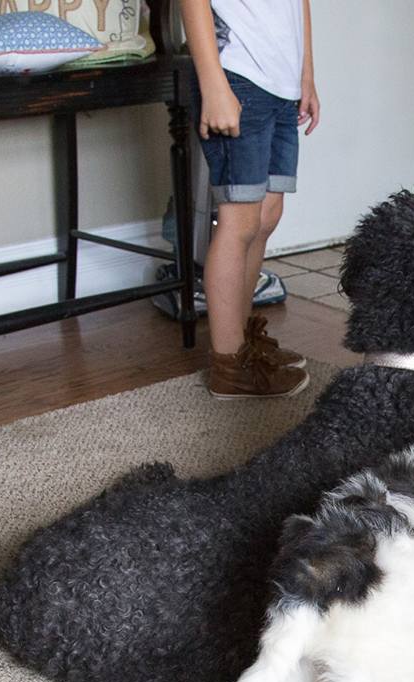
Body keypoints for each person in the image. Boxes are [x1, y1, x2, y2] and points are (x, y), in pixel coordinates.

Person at [179, 0, 320, 399]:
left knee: (267, 214)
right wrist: (213, 86)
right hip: (236, 77)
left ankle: (243, 343)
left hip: (281, 82)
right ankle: (229, 366)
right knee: (239, 221)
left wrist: (306, 75)